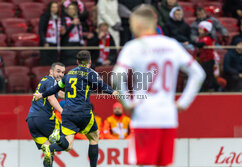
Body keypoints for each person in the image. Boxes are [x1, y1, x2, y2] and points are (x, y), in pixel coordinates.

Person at [113, 5, 205, 167]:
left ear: (137, 23)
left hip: (145, 116)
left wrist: (126, 102)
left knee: (143, 163)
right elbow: (198, 74)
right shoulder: (172, 45)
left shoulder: (134, 47)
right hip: (168, 117)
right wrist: (183, 103)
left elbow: (117, 76)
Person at [34, 50, 118, 167]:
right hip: (84, 113)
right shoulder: (91, 73)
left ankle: (50, 147)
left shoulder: (69, 74)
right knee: (94, 138)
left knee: (68, 146)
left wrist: (41, 95)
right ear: (89, 61)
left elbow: (55, 89)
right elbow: (102, 86)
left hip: (68, 114)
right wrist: (113, 91)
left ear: (77, 61)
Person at [26, 62, 65, 167]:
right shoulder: (51, 80)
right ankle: (54, 136)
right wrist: (63, 112)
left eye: (62, 72)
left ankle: (51, 143)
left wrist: (72, 96)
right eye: (58, 71)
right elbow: (51, 98)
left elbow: (58, 94)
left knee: (48, 152)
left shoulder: (45, 81)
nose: (61, 74)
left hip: (31, 120)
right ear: (51, 71)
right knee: (67, 140)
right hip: (44, 118)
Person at [195, 21, 220, 91]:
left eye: (201, 29)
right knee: (209, 75)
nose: (199, 31)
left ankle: (209, 88)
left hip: (209, 60)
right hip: (204, 59)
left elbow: (201, 44)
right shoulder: (201, 38)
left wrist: (193, 42)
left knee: (207, 75)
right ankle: (215, 87)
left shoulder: (207, 38)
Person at [39, 1, 64, 66]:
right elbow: (41, 30)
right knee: (46, 64)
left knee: (54, 64)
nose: (54, 9)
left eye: (56, 7)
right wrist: (44, 42)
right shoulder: (45, 16)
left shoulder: (58, 18)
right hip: (46, 44)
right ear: (49, 8)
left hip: (55, 44)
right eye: (53, 7)